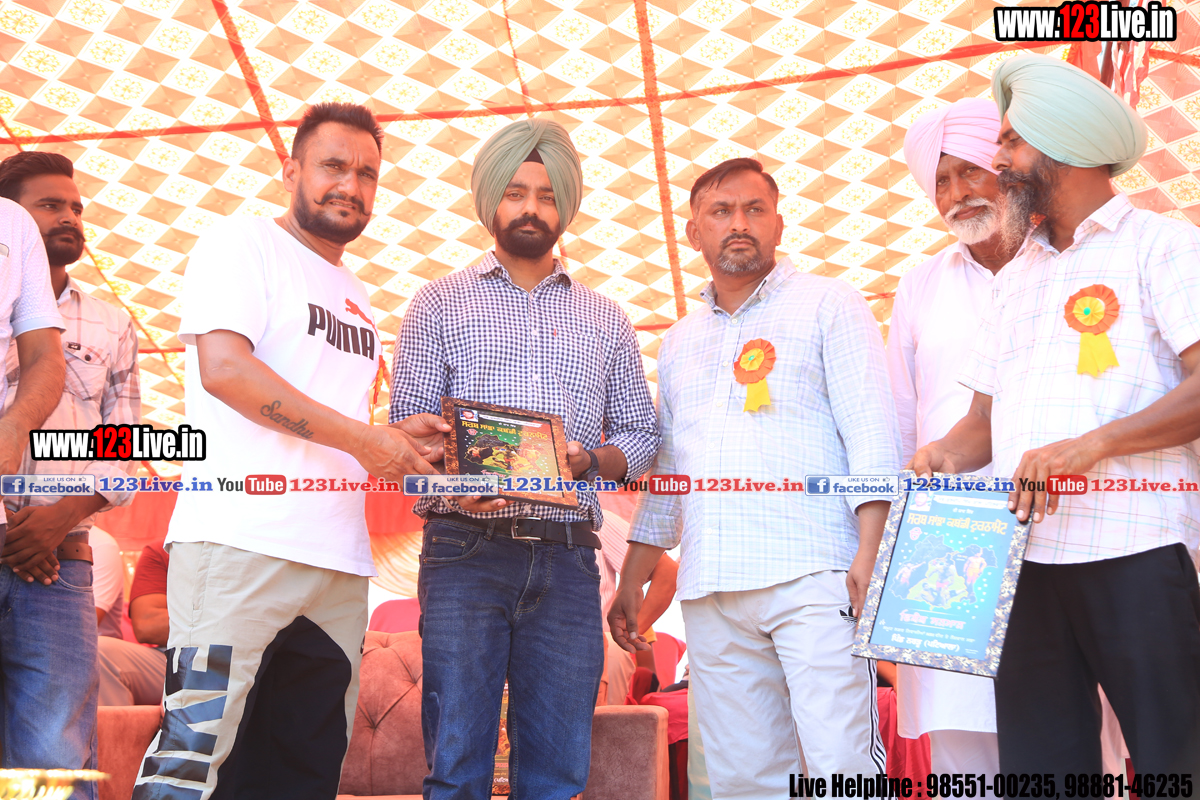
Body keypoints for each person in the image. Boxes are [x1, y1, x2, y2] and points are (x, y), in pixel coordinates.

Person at [134, 103, 445, 800]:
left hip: (337, 566)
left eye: (367, 173)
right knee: (190, 760)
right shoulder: (242, 243)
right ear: (291, 169)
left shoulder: (356, 294)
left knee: (305, 771)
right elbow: (225, 371)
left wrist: (397, 434)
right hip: (236, 545)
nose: (350, 185)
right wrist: (366, 439)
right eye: (333, 166)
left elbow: (330, 415)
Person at [912, 53, 1200, 777]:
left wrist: (1091, 446)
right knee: (1043, 774)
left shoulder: (1164, 247)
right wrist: (941, 456)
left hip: (1137, 551)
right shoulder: (1018, 278)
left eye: (1011, 143)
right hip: (1026, 564)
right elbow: (980, 424)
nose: (999, 161)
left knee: (1178, 764)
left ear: (1063, 145)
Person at [391, 117, 660, 800]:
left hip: (569, 557)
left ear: (565, 205)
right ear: (490, 201)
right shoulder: (437, 303)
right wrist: (453, 485)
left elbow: (641, 435)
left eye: (546, 194)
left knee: (557, 775)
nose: (531, 208)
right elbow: (406, 439)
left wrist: (588, 461)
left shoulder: (606, 317)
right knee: (456, 766)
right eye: (515, 193)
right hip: (464, 550)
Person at [611, 157, 897, 792]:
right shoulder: (678, 342)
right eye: (721, 211)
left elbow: (872, 434)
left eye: (754, 209)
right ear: (695, 233)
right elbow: (669, 474)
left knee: (842, 763)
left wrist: (871, 553)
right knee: (746, 779)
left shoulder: (829, 302)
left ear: (778, 225)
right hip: (712, 587)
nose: (738, 223)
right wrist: (632, 578)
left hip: (817, 573)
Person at [887, 98, 1015, 774]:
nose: (958, 192)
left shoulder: (1064, 263)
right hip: (947, 544)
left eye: (971, 171)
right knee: (964, 752)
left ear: (1009, 168)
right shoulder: (920, 285)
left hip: (1062, 529)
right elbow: (898, 415)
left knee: (1075, 737)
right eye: (941, 181)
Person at [0, 169, 73, 790]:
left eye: (75, 206)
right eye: (52, 204)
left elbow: (128, 441)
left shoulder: (111, 323)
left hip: (59, 554)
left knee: (52, 760)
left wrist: (63, 515)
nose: (69, 217)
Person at [95, 530, 168, 707]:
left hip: (235, 657)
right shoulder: (164, 550)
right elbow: (148, 626)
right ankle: (116, 726)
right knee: (98, 651)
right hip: (177, 656)